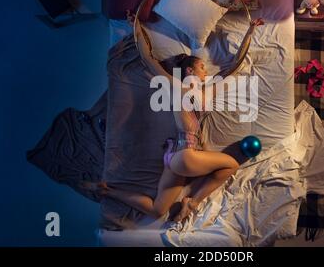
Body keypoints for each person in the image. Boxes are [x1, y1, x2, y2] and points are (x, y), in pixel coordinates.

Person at [90, 12, 264, 223]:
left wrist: (250, 31)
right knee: (232, 165)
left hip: (174, 156)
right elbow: (148, 57)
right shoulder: (189, 88)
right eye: (202, 68)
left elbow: (148, 59)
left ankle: (108, 191)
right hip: (185, 155)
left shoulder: (177, 86)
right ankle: (192, 203)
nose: (206, 73)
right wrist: (136, 26)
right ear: (189, 69)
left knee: (157, 210)